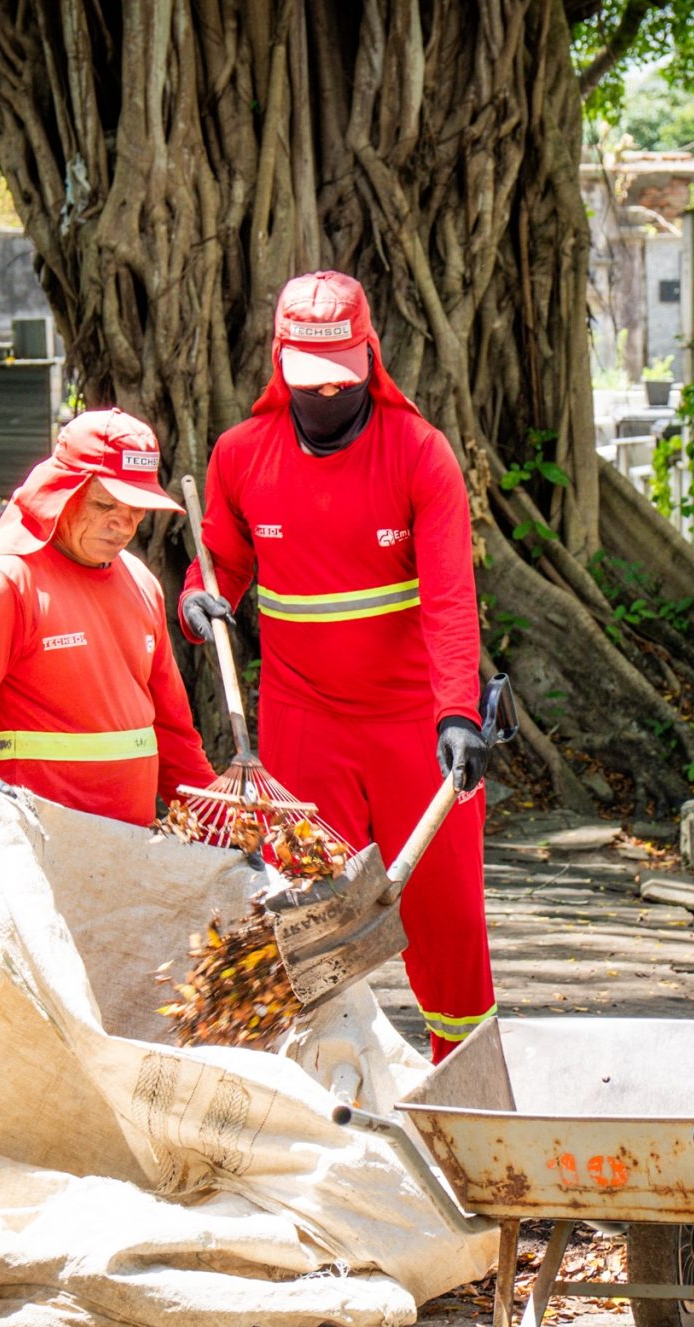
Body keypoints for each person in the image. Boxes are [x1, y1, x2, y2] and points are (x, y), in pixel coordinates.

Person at [180, 270, 493, 1059]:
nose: (322, 400)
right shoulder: (240, 454)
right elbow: (219, 559)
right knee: (308, 922)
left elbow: (451, 598)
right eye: (306, 385)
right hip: (301, 722)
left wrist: (458, 712)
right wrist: (197, 599)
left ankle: (466, 1089)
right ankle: (311, 1089)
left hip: (414, 727)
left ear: (369, 360)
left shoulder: (420, 454)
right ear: (280, 362)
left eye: (338, 383)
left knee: (448, 922)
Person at [0, 409, 215, 827]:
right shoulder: (0, 584)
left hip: (132, 853)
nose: (124, 525)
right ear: (61, 490)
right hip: (36, 856)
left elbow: (174, 738)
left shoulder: (140, 582)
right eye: (105, 504)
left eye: (138, 509)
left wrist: (223, 828)